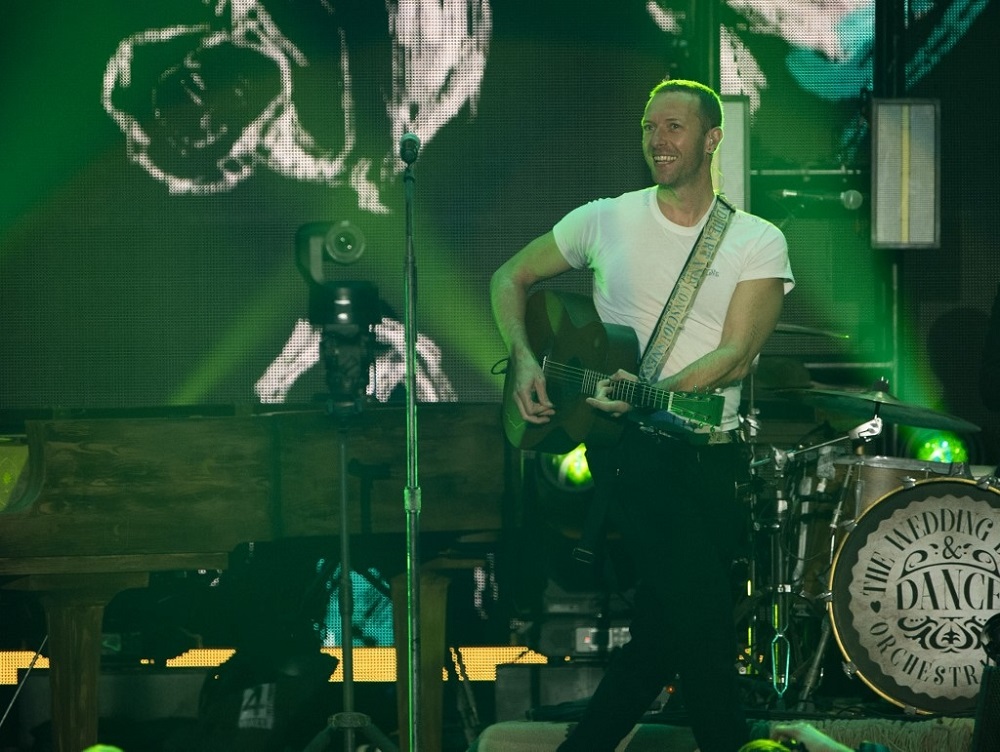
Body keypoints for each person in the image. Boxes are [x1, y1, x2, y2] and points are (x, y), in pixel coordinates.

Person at [490, 78, 794, 751]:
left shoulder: (756, 239)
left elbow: (737, 355)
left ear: (712, 139)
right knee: (707, 622)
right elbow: (509, 277)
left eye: (674, 126)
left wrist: (652, 389)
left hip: (713, 455)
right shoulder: (605, 218)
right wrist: (523, 357)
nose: (658, 139)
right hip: (631, 453)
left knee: (662, 638)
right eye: (649, 127)